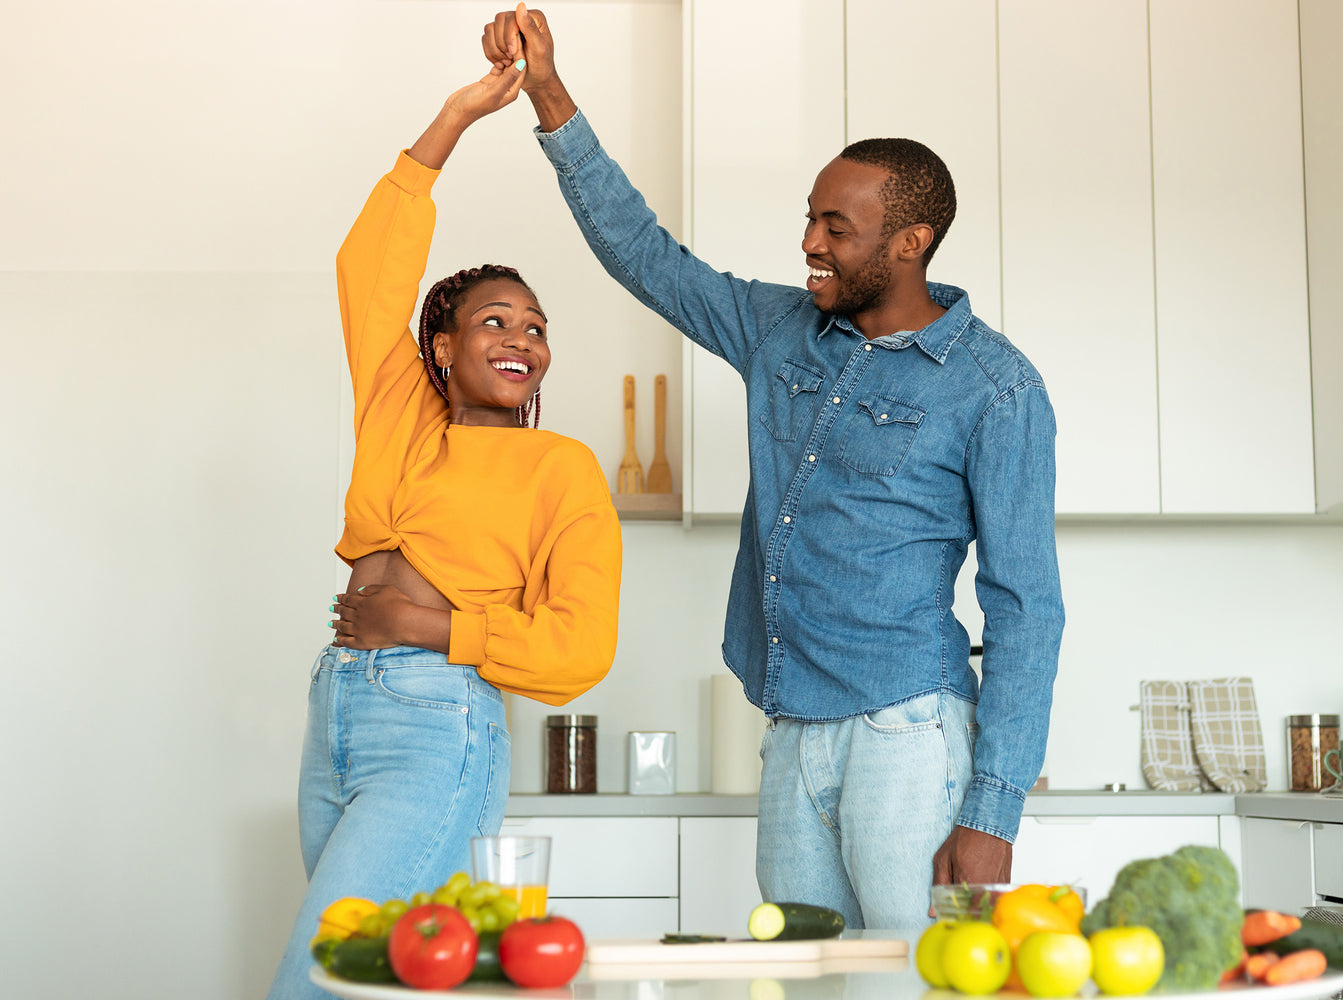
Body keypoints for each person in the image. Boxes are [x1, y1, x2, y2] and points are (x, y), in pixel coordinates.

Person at [484, 5, 1064, 930]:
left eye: (837, 227)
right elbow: (643, 254)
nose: (809, 244)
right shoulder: (780, 329)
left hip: (908, 738)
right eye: (809, 218)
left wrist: (991, 809)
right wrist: (549, 92)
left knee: (912, 990)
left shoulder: (995, 389)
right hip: (792, 735)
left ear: (909, 242)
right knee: (803, 984)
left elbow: (1026, 604)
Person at [267, 54, 622, 998]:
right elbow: (368, 266)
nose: (520, 339)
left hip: (440, 722)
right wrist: (456, 117)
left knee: (315, 981)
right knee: (372, 979)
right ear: (443, 345)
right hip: (337, 708)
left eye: (536, 327)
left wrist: (430, 628)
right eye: (494, 320)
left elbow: (579, 648)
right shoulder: (398, 412)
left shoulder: (562, 467)